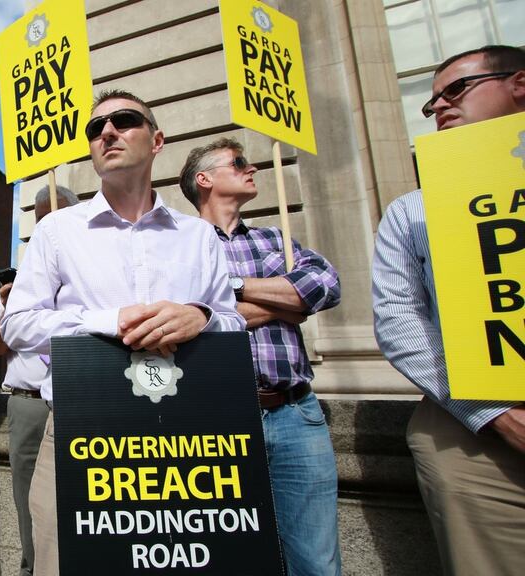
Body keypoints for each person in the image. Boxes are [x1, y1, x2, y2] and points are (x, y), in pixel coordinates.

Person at [0, 90, 244, 576]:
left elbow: (234, 323)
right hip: (79, 431)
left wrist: (203, 317)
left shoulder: (197, 236)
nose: (106, 132)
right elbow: (18, 324)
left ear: (156, 141)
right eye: (95, 129)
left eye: (124, 121)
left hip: (187, 442)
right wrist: (109, 323)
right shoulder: (56, 232)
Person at [371, 45, 525, 575]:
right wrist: (495, 414)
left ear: (519, 85)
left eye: (455, 90)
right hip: (478, 442)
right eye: (431, 99)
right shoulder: (412, 209)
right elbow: (398, 318)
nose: (438, 106)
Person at [181, 137, 343, 575]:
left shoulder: (277, 239)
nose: (251, 169)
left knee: (315, 563)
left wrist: (229, 289)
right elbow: (180, 321)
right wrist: (285, 302)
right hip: (215, 421)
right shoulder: (178, 245)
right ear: (205, 179)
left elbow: (325, 286)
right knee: (230, 560)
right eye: (238, 163)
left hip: (295, 414)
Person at [0, 185, 78, 576]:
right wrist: (7, 305)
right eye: (40, 220)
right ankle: (30, 567)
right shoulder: (23, 280)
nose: (47, 225)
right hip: (27, 402)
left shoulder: (85, 270)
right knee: (27, 501)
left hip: (77, 398)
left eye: (54, 215)